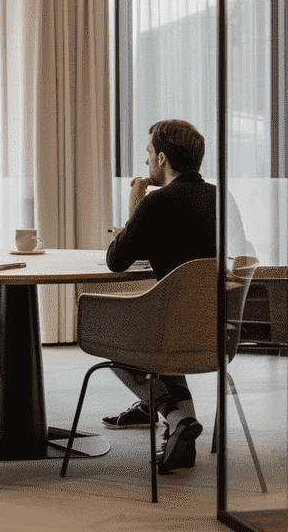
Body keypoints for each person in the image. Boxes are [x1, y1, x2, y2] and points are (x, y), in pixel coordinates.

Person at [103, 119, 247, 474]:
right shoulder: (221, 197)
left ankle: (174, 413)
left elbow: (116, 261)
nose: (147, 162)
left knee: (112, 331)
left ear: (163, 158)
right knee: (167, 320)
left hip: (170, 333)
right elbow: (239, 254)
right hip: (217, 330)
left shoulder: (157, 204)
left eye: (149, 154)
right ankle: (173, 420)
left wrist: (136, 208)